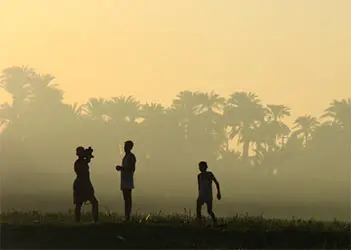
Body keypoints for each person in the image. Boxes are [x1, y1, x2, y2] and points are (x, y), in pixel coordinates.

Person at [73, 146, 99, 223]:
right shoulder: (79, 163)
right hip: (82, 185)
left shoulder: (79, 162)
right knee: (81, 204)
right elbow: (83, 173)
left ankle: (78, 221)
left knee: (79, 204)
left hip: (81, 184)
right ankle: (94, 220)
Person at [116, 140, 136, 221]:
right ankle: (126, 216)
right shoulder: (126, 156)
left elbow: (132, 168)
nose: (124, 148)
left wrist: (122, 168)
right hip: (125, 180)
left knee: (127, 199)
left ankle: (127, 217)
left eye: (126, 146)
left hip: (128, 180)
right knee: (126, 199)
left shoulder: (131, 157)